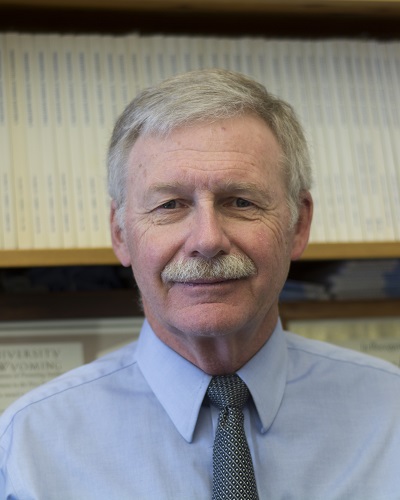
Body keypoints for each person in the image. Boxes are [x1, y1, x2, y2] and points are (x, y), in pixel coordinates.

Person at [1, 68, 400, 499]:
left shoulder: (391, 412)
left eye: (240, 202)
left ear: (298, 223)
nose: (207, 240)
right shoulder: (30, 446)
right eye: (170, 205)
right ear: (120, 234)